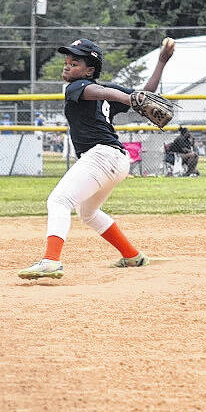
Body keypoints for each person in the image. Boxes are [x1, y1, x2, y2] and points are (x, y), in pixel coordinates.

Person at [18, 37, 174, 279]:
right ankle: (133, 256)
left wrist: (160, 63)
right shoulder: (91, 90)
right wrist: (139, 87)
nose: (68, 65)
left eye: (75, 63)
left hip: (102, 156)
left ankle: (50, 261)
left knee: (59, 200)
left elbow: (138, 95)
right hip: (115, 160)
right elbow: (137, 96)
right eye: (67, 61)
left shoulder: (78, 87)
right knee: (88, 213)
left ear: (90, 70)